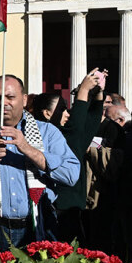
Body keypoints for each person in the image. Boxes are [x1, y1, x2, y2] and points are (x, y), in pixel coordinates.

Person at [0, 75, 80, 251]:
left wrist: (28, 149)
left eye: (10, 97)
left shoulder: (47, 132)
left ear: (24, 99)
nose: (3, 102)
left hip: (38, 225)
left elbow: (71, 175)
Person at [33, 70, 105, 243]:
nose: (67, 113)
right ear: (47, 114)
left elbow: (93, 119)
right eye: (62, 109)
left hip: (74, 208)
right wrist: (83, 91)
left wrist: (98, 92)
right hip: (56, 207)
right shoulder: (45, 135)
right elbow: (75, 126)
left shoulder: (71, 135)